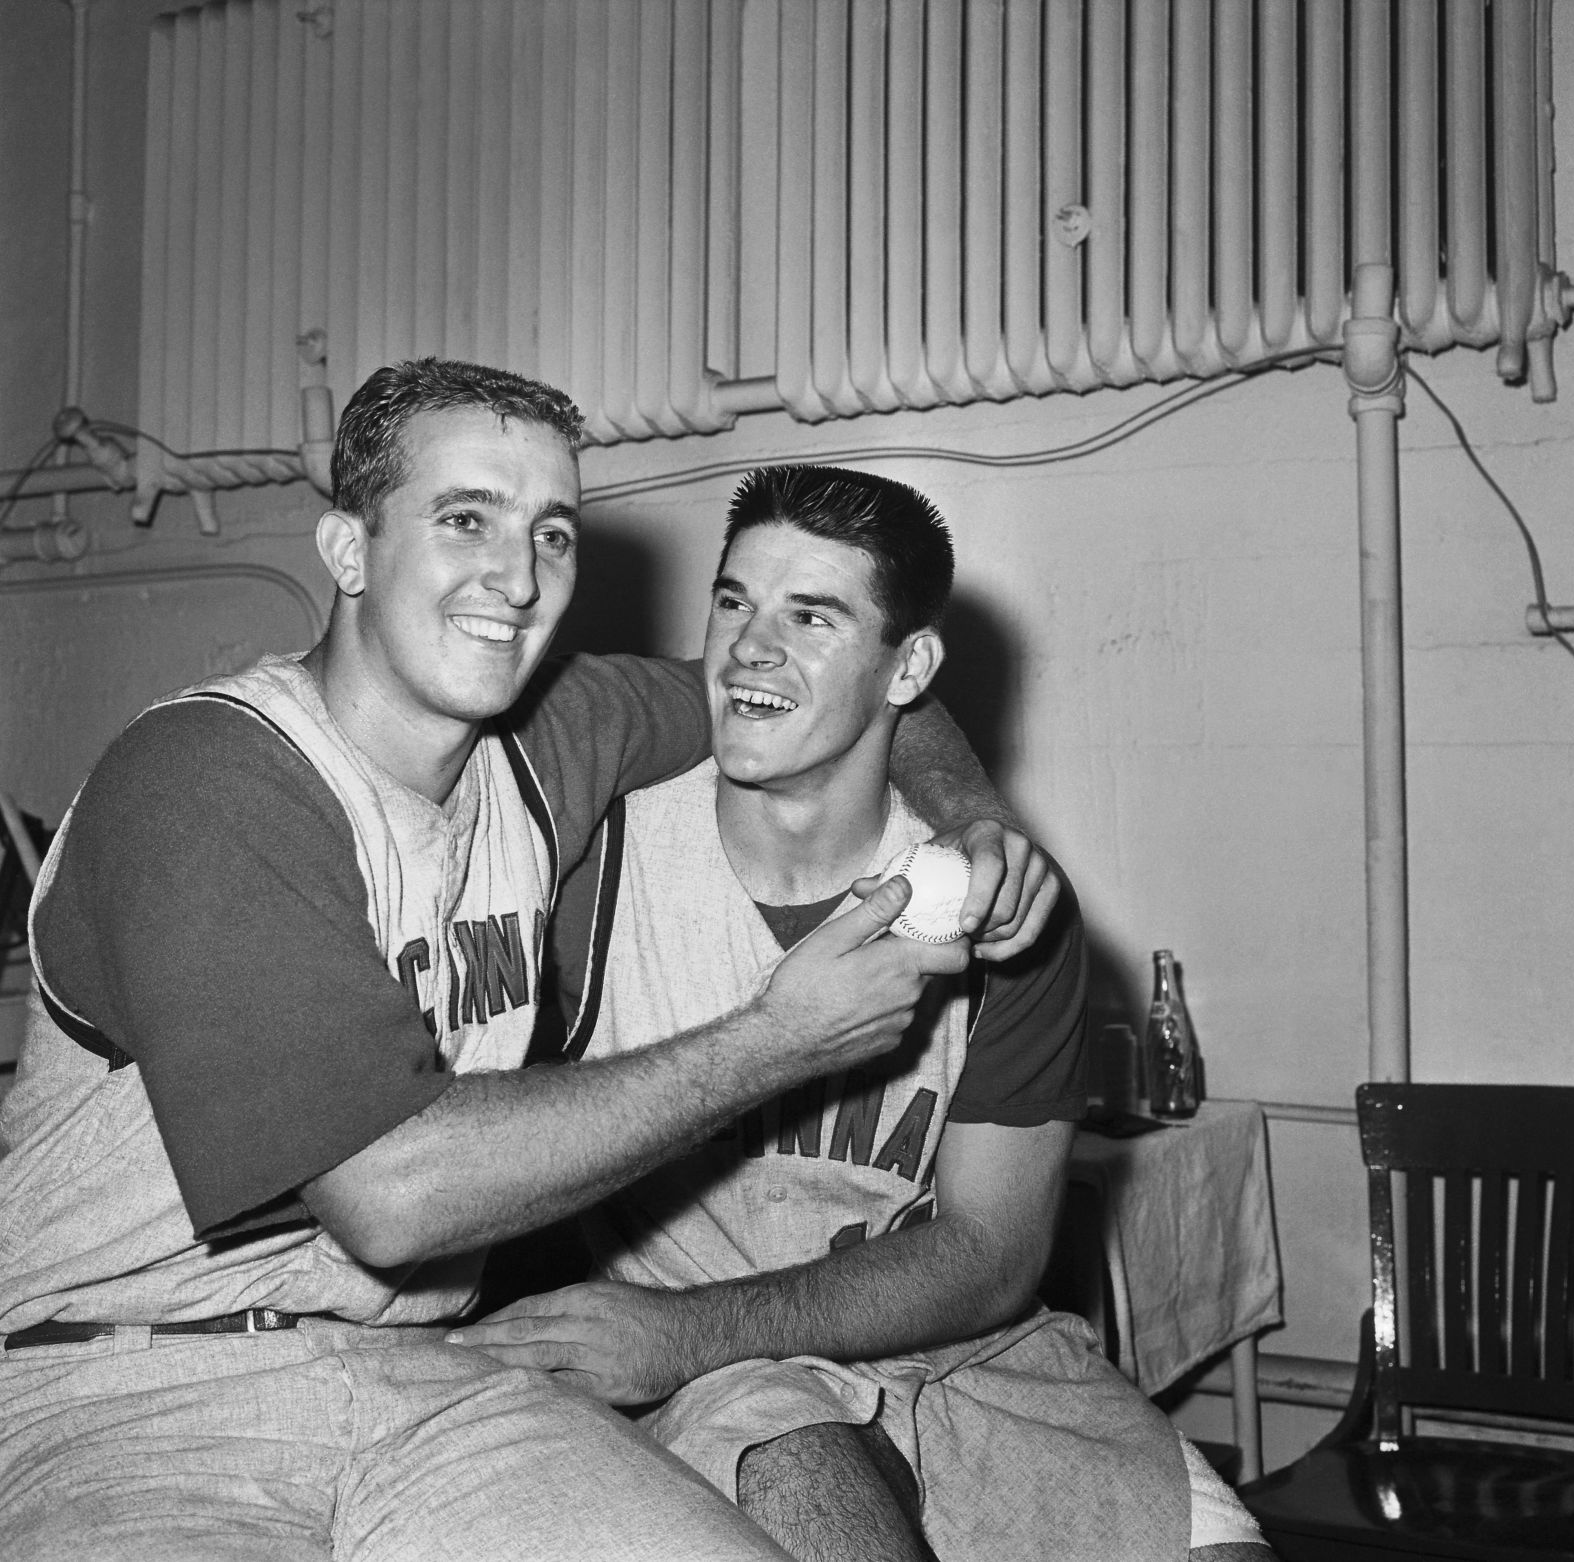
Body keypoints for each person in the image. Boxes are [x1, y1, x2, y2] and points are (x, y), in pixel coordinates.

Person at [0, 361, 1061, 1562]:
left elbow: (851, 688)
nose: (517, 577)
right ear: (348, 547)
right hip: (134, 1392)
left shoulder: (553, 738)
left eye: (550, 532)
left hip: (428, 1383)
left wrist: (978, 823)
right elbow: (394, 1197)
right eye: (466, 520)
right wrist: (780, 1033)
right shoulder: (210, 777)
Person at [450, 465, 1275, 1562]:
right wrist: (666, 1337)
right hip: (723, 1377)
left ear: (911, 666)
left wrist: (680, 1327)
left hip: (965, 1355)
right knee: (805, 1483)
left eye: (812, 613)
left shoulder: (1001, 906)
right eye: (735, 600)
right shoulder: (589, 863)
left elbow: (990, 1251)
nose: (749, 644)